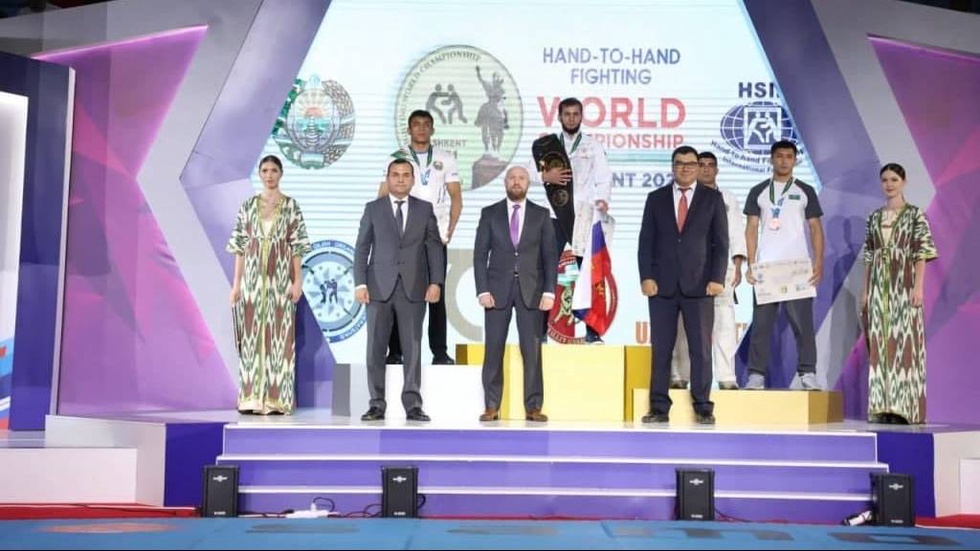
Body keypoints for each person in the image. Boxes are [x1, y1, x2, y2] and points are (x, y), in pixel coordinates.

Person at [637, 145, 729, 425]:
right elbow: (646, 241)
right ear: (672, 166)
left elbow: (721, 243)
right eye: (679, 163)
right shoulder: (656, 198)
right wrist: (646, 277)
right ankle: (659, 408)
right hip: (661, 286)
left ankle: (703, 407)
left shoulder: (713, 199)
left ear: (698, 167)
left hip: (700, 286)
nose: (685, 168)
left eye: (691, 164)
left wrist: (717, 278)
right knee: (661, 349)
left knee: (700, 350)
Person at [356, 159, 444, 422]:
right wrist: (360, 283)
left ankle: (413, 404)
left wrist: (436, 282)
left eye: (406, 175)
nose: (401, 179)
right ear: (388, 178)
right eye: (395, 174)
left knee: (413, 347)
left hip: (414, 287)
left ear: (413, 180)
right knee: (375, 348)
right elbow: (362, 247)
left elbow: (434, 248)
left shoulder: (424, 209)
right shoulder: (373, 209)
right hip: (378, 287)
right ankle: (376, 404)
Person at [227, 155, 311, 415]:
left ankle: (276, 399)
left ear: (281, 173)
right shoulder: (248, 206)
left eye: (274, 170)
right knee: (251, 339)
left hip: (280, 281)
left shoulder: (291, 206)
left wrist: (297, 281)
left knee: (280, 340)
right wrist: (236, 284)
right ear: (260, 174)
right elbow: (239, 248)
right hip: (252, 282)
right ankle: (251, 397)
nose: (269, 175)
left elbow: (297, 247)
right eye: (264, 170)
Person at [473, 166, 558, 423]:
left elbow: (549, 256)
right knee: (493, 349)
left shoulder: (542, 215)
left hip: (532, 291)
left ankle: (533, 407)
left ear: (528, 183)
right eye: (512, 178)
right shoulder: (490, 213)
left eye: (521, 178)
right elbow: (480, 255)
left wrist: (549, 291)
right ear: (505, 183)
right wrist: (482, 290)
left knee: (532, 352)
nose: (516, 182)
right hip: (496, 291)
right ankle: (491, 406)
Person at [379, 109, 462, 365]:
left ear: (432, 129)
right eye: (416, 124)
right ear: (409, 129)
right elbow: (383, 195)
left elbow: (456, 197)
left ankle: (439, 352)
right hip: (404, 236)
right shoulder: (397, 158)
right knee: (399, 292)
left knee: (436, 293)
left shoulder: (445, 157)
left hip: (434, 236)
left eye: (426, 124)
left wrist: (450, 229)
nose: (421, 128)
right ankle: (395, 352)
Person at [743, 140, 824, 390]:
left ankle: (808, 373)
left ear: (795, 160)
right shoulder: (758, 190)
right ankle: (756, 375)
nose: (784, 161)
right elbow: (751, 228)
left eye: (789, 156)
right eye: (779, 156)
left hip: (797, 268)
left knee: (803, 325)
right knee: (761, 325)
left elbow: (815, 228)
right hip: (767, 268)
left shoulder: (805, 190)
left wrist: (818, 262)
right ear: (771, 159)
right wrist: (751, 263)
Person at [862, 163, 937, 425]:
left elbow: (921, 252)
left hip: (903, 285)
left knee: (904, 345)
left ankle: (904, 407)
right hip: (878, 287)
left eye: (894, 179)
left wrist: (918, 287)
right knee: (880, 345)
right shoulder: (874, 217)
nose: (889, 184)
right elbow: (869, 255)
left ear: (903, 182)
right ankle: (882, 407)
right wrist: (865, 290)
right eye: (885, 180)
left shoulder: (915, 215)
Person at [536, 97, 612, 344]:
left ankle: (592, 331)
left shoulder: (592, 145)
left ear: (581, 116)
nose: (571, 118)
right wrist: (545, 176)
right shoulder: (547, 144)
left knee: (589, 273)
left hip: (583, 216)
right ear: (559, 117)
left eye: (575, 114)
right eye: (566, 114)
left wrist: (602, 201)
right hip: (553, 216)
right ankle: (538, 332)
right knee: (545, 272)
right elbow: (524, 174)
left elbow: (604, 178)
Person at [671, 151, 746, 391]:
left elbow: (736, 233)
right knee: (684, 322)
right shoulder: (685, 196)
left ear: (717, 170)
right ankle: (680, 375)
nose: (705, 169)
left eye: (710, 165)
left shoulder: (727, 198)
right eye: (701, 164)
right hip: (690, 270)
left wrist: (738, 265)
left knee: (724, 323)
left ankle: (727, 377)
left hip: (722, 268)